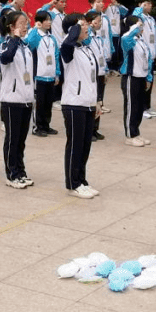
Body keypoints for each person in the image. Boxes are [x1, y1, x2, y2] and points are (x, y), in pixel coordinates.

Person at [59, 13, 101, 199]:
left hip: (88, 103)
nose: (87, 27)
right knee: (75, 144)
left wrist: (97, 101)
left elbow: (92, 78)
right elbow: (67, 44)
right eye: (82, 25)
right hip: (74, 103)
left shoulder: (85, 48)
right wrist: (74, 29)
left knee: (85, 145)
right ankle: (73, 183)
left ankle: (82, 179)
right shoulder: (68, 49)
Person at [0, 11, 35, 188]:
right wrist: (14, 38)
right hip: (11, 100)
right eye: (21, 23)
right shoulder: (5, 44)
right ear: (11, 27)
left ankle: (21, 171)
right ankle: (11, 174)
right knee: (12, 138)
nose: (25, 26)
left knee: (21, 139)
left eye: (26, 23)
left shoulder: (26, 47)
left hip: (26, 98)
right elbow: (5, 58)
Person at [119, 16, 152, 147]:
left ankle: (136, 132)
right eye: (139, 25)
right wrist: (134, 28)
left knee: (138, 108)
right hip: (130, 78)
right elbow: (125, 39)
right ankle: (129, 135)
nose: (141, 28)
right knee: (131, 106)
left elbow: (147, 59)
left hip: (141, 77)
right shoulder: (128, 40)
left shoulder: (141, 40)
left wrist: (148, 77)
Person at [25, 10, 60, 137]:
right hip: (38, 75)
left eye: (50, 20)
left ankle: (46, 125)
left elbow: (56, 55)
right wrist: (35, 29)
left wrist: (57, 73)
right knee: (39, 103)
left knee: (48, 102)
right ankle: (37, 127)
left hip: (50, 75)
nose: (49, 22)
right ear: (39, 21)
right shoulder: (34, 34)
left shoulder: (51, 38)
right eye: (46, 20)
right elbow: (29, 44)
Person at [133, 0, 156, 119]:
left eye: (150, 3)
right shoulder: (138, 18)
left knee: (150, 82)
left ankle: (147, 106)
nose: (150, 6)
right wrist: (140, 9)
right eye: (146, 3)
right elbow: (134, 16)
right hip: (142, 55)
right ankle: (141, 108)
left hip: (152, 54)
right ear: (140, 5)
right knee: (142, 83)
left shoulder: (151, 19)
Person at [84, 10, 110, 140]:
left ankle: (95, 128)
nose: (100, 23)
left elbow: (102, 56)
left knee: (99, 101)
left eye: (100, 21)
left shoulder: (99, 38)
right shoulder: (87, 37)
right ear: (89, 23)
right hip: (91, 73)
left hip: (100, 72)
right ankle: (89, 129)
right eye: (97, 21)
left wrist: (105, 71)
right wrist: (88, 28)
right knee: (91, 101)